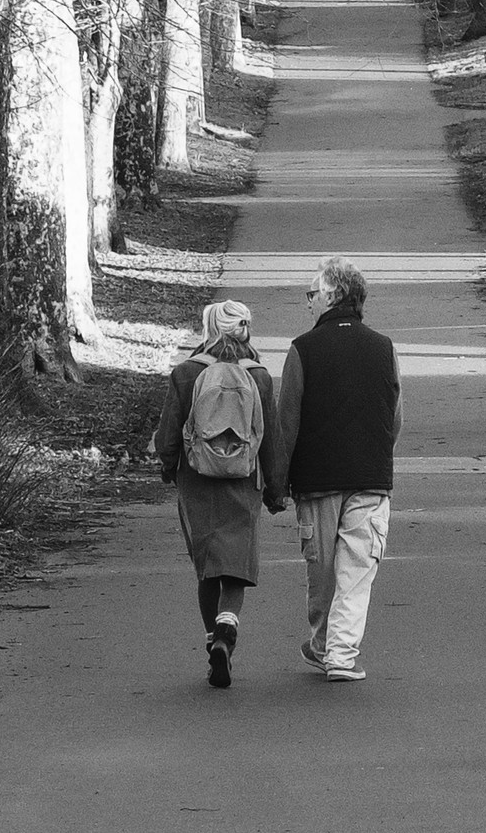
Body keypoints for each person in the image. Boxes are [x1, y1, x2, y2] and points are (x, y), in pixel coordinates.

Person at [278, 256, 402, 683]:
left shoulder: (303, 350)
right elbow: (396, 415)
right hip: (370, 478)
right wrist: (379, 452)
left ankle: (329, 648)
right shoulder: (384, 347)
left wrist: (277, 483)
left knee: (324, 571)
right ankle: (337, 654)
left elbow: (286, 422)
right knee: (356, 571)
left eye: (312, 294)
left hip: (316, 482)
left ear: (332, 295)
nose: (308, 302)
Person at [154, 299, 287, 689]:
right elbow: (271, 439)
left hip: (196, 478)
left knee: (208, 563)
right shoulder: (258, 375)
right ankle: (228, 627)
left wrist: (167, 466)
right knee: (236, 564)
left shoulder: (186, 372)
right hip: (244, 478)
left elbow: (168, 433)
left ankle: (214, 639)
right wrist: (277, 490)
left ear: (209, 328)